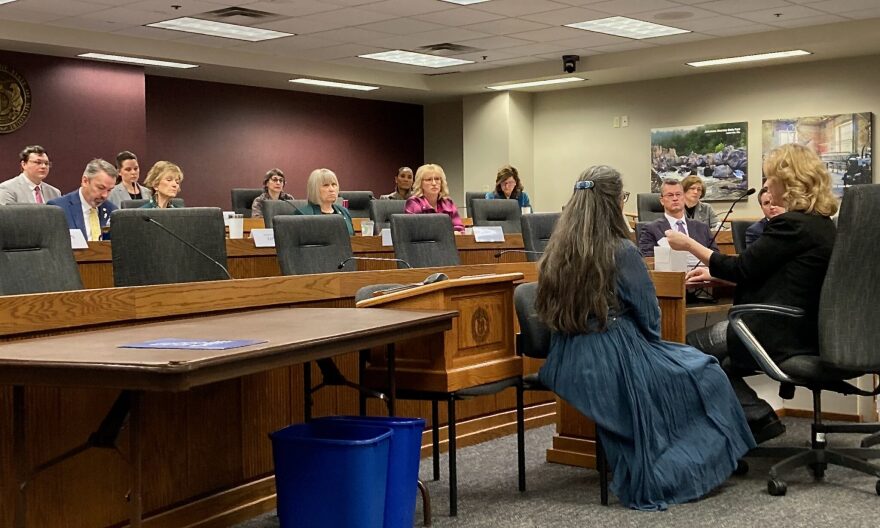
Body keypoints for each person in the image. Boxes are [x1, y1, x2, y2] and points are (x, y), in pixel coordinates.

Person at [535, 165, 754, 511]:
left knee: (685, 367)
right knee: (705, 369)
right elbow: (650, 318)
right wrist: (650, 346)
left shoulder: (555, 252)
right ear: (612, 203)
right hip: (614, 354)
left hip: (566, 359)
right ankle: (704, 459)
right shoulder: (620, 250)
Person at [666, 143, 837, 444]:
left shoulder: (790, 225)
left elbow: (742, 268)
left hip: (774, 331)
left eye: (771, 178)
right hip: (806, 330)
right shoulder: (821, 226)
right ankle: (755, 419)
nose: (767, 186)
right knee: (719, 364)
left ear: (790, 182)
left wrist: (690, 245)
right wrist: (716, 271)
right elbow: (773, 273)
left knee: (686, 348)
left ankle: (757, 417)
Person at [638, 179, 718, 257]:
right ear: (662, 201)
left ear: (684, 197)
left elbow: (715, 258)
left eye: (678, 194)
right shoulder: (650, 230)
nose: (675, 198)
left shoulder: (702, 228)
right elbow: (648, 260)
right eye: (670, 195)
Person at [47, 159, 117, 241]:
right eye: (101, 188)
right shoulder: (58, 209)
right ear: (85, 181)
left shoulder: (112, 210)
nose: (105, 195)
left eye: (109, 190)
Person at [404, 163, 464, 233]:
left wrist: (457, 232)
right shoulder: (414, 202)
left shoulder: (448, 203)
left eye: (437, 179)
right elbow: (416, 230)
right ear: (420, 183)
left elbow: (459, 227)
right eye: (429, 179)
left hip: (447, 242)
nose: (434, 183)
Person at [294, 168, 354, 235]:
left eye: (334, 184)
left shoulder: (344, 211)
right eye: (326, 185)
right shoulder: (303, 214)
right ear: (314, 189)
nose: (332, 189)